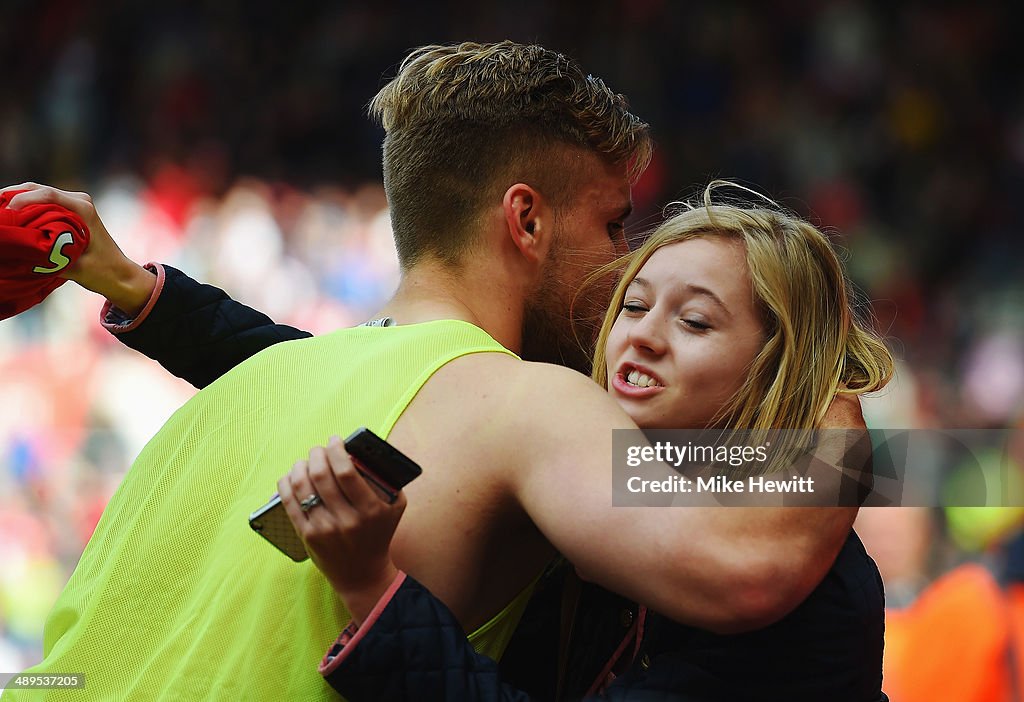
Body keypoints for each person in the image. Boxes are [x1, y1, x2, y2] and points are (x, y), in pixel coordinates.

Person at [1, 43, 862, 701]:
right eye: (613, 234)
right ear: (524, 220)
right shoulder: (535, 408)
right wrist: (836, 412)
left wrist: (134, 288)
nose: (618, 291)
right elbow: (750, 563)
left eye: (697, 318)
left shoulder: (245, 396)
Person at [283, 183, 895, 700]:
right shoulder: (596, 490)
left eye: (695, 321)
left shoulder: (814, 596)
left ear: (775, 365)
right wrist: (184, 304)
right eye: (633, 306)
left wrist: (373, 588)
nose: (644, 337)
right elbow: (298, 355)